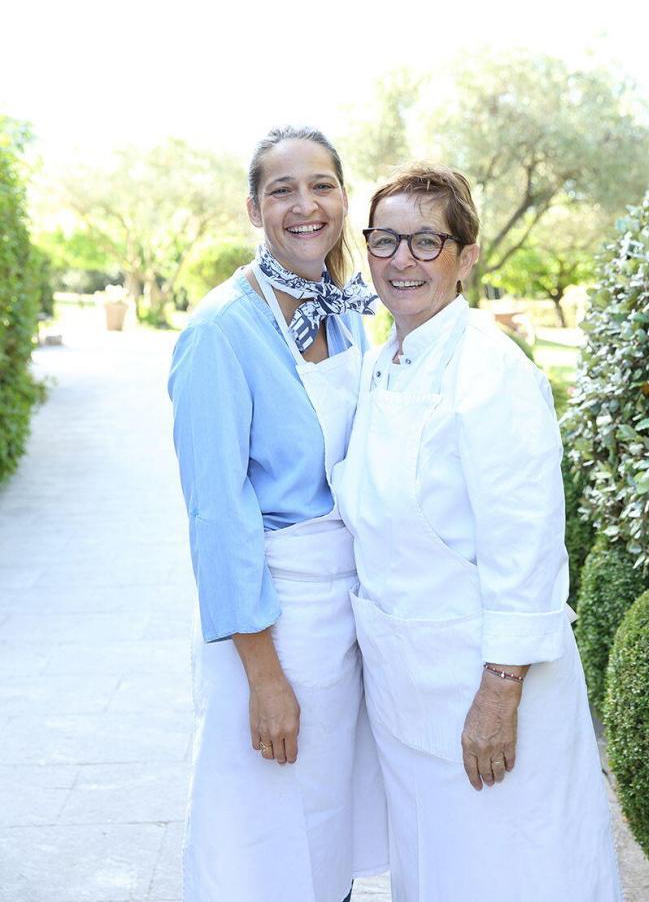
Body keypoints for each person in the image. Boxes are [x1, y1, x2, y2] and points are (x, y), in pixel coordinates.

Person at [333, 163, 623, 901]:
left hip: (489, 696)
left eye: (426, 242)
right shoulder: (378, 364)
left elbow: (524, 548)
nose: (401, 260)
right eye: (385, 240)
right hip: (409, 691)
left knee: (507, 873)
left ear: (465, 259)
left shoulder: (492, 373)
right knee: (431, 874)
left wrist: (498, 695)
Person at [168, 126, 388, 902]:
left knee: (324, 825)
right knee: (260, 835)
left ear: (343, 198)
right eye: (283, 190)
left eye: (321, 185)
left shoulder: (349, 312)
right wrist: (264, 676)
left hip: (348, 610)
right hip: (273, 615)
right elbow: (217, 519)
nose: (305, 205)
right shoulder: (219, 331)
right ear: (255, 209)